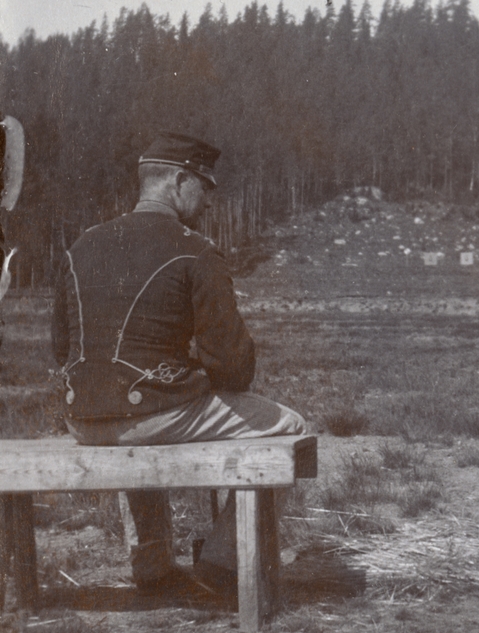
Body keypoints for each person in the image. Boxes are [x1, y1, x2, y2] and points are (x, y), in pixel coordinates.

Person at [51, 132, 306, 593]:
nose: (209, 201)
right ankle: (225, 563)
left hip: (81, 418)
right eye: (205, 188)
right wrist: (192, 368)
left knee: (138, 415)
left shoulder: (81, 246)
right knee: (289, 427)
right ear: (179, 182)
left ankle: (150, 563)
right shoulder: (196, 250)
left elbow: (59, 348)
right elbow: (234, 369)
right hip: (152, 414)